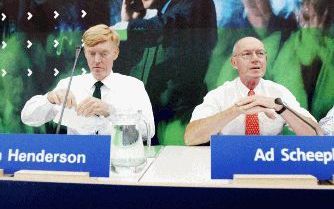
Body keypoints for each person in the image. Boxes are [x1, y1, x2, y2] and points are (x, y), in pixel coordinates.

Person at [21, 24, 155, 139]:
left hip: (117, 161)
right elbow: (27, 117)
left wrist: (111, 112)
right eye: (91, 53)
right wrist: (49, 99)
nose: (97, 60)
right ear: (85, 53)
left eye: (103, 54)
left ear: (115, 53)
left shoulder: (133, 86)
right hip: (77, 161)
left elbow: (149, 131)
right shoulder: (69, 84)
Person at [113, 0, 217, 145]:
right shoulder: (159, 16)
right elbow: (127, 67)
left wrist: (123, 28)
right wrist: (130, 21)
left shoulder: (195, 4)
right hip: (154, 119)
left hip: (179, 119)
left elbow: (167, 27)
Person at [184, 37, 322, 146]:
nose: (255, 59)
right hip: (229, 162)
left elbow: (316, 135)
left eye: (260, 54)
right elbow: (191, 138)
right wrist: (237, 110)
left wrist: (280, 108)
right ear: (234, 63)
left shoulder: (279, 92)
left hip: (269, 161)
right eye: (247, 54)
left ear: (266, 60)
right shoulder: (219, 95)